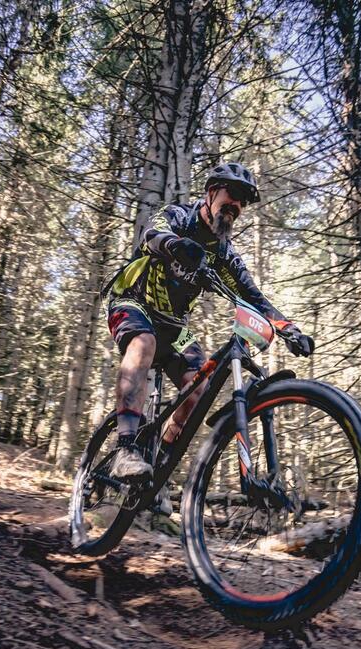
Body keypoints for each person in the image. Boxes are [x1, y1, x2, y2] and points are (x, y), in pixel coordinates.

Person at [104, 161, 313, 482]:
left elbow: (252, 296)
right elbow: (152, 234)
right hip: (131, 300)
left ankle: (157, 469)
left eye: (244, 201)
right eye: (233, 194)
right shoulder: (179, 217)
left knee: (200, 388)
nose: (237, 205)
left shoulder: (223, 253)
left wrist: (287, 328)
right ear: (211, 192)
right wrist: (176, 245)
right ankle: (125, 450)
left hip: (173, 324)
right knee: (142, 342)